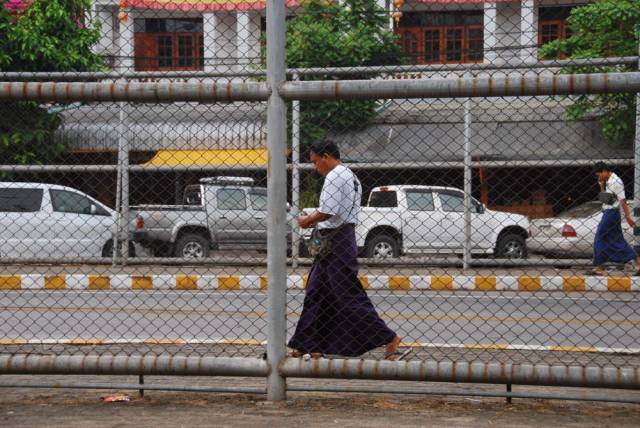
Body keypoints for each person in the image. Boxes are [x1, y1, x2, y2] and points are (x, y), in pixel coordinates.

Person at [288, 140, 410, 361]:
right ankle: (308, 344)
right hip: (340, 239)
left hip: (336, 242)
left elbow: (327, 212)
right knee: (316, 291)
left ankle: (389, 337)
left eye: (316, 162)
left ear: (326, 156)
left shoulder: (334, 176)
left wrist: (306, 221)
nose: (316, 167)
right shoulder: (350, 176)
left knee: (347, 295)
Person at [590, 161, 640, 275]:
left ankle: (599, 267)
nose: (599, 177)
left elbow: (623, 201)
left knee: (599, 237)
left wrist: (628, 217)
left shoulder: (616, 181)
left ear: (604, 171)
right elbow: (605, 199)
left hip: (611, 214)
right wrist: (601, 185)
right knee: (617, 240)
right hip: (609, 212)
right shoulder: (608, 181)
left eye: (599, 175)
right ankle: (638, 262)